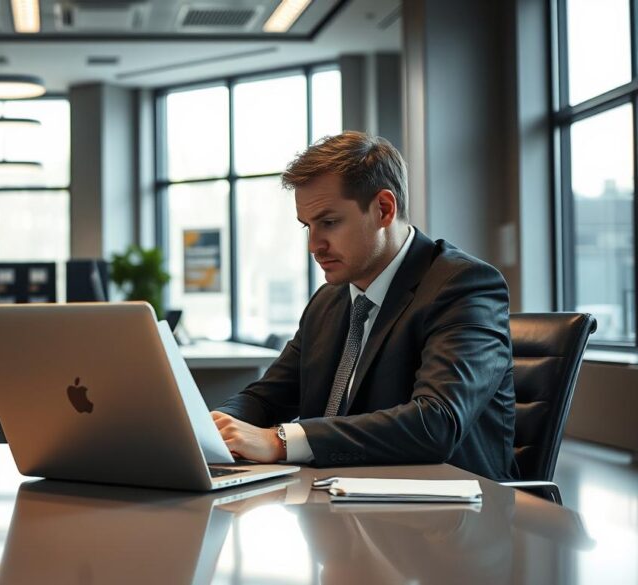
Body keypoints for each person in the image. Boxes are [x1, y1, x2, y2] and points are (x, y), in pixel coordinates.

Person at [212, 131, 518, 481]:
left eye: (329, 222)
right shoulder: (329, 300)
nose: (314, 245)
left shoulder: (465, 286)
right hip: (337, 504)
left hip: (445, 516)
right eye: (307, 227)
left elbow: (436, 422)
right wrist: (215, 428)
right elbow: (267, 398)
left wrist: (281, 441)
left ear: (384, 209)